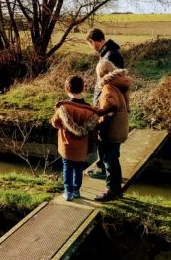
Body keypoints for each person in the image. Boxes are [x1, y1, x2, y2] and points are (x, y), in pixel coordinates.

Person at [50, 75, 98, 201]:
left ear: (67, 89)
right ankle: (76, 190)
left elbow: (55, 122)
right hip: (82, 147)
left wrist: (65, 127)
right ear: (83, 88)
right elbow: (92, 128)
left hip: (67, 145)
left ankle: (68, 191)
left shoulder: (64, 108)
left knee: (67, 167)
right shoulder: (90, 111)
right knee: (78, 168)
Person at [85, 28, 124, 179]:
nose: (91, 47)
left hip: (107, 106)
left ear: (93, 41)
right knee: (103, 138)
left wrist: (102, 107)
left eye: (90, 44)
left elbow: (112, 83)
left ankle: (106, 173)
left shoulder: (111, 55)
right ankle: (103, 168)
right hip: (105, 104)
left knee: (107, 139)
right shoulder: (108, 53)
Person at [93, 59, 131, 202]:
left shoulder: (108, 87)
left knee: (109, 160)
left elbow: (111, 105)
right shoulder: (118, 86)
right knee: (113, 159)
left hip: (112, 129)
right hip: (120, 127)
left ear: (101, 73)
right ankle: (117, 190)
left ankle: (111, 191)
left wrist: (98, 113)